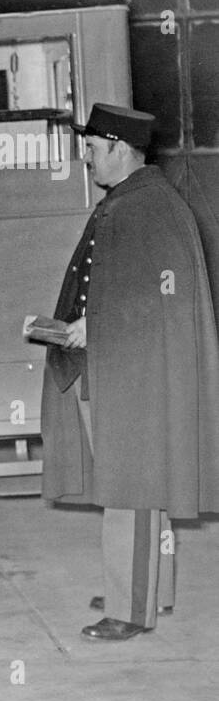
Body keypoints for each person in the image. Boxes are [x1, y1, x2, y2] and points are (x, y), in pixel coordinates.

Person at [41, 104, 219, 640]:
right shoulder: (138, 200)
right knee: (138, 482)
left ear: (119, 146)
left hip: (133, 372)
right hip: (127, 366)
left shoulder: (147, 206)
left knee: (131, 487)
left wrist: (96, 325)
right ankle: (146, 588)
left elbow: (163, 293)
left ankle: (130, 609)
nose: (87, 158)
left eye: (93, 148)